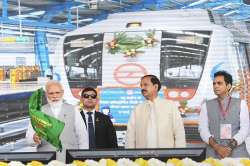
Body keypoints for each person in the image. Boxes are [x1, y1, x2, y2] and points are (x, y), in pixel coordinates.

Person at [26, 80, 88, 162]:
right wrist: (34, 138)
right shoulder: (38, 112)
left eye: (57, 92)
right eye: (51, 93)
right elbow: (29, 138)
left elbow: (83, 137)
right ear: (46, 94)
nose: (55, 96)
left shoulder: (73, 110)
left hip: (70, 161)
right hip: (46, 161)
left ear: (62, 93)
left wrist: (83, 158)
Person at [125, 74, 186, 148]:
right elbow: (130, 135)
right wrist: (131, 155)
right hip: (142, 157)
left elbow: (179, 131)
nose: (142, 88)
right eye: (141, 86)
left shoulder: (170, 105)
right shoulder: (137, 109)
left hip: (167, 156)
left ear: (155, 87)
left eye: (145, 85)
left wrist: (179, 154)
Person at [199, 71, 249, 158]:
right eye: (214, 83)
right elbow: (202, 129)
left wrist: (229, 148)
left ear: (228, 86)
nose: (216, 86)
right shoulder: (206, 105)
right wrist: (217, 147)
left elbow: (245, 129)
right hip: (214, 154)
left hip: (237, 154)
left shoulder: (241, 103)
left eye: (219, 83)